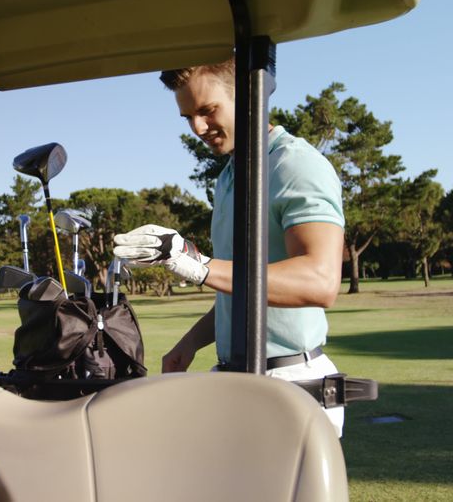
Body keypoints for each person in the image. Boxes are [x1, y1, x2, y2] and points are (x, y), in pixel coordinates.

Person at [113, 57, 347, 436]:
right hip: (238, 379)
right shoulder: (228, 178)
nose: (197, 128)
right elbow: (244, 290)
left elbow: (319, 280)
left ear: (249, 94)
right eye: (188, 116)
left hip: (289, 386)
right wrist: (189, 344)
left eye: (207, 111)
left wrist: (196, 263)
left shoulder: (295, 164)